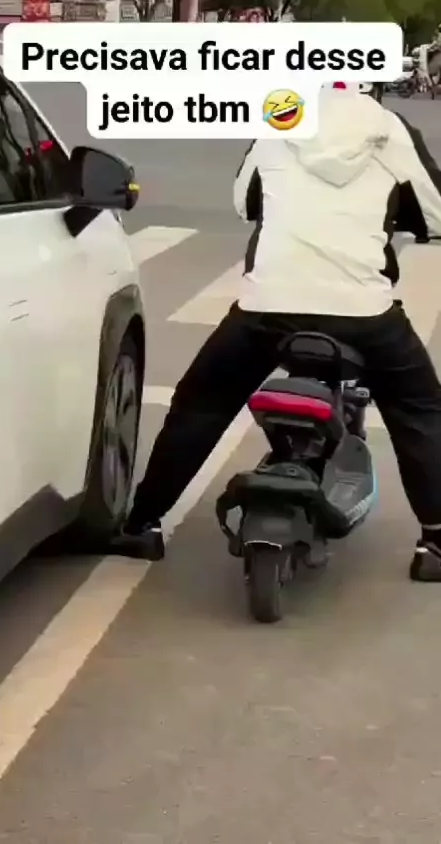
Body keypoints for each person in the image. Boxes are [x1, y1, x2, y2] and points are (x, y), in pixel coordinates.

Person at [117, 83, 441, 578]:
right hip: (363, 312)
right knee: (419, 408)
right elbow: (434, 211)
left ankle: (141, 524)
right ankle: (436, 544)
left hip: (266, 310)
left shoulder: (279, 121)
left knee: (201, 403)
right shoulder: (391, 129)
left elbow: (244, 203)